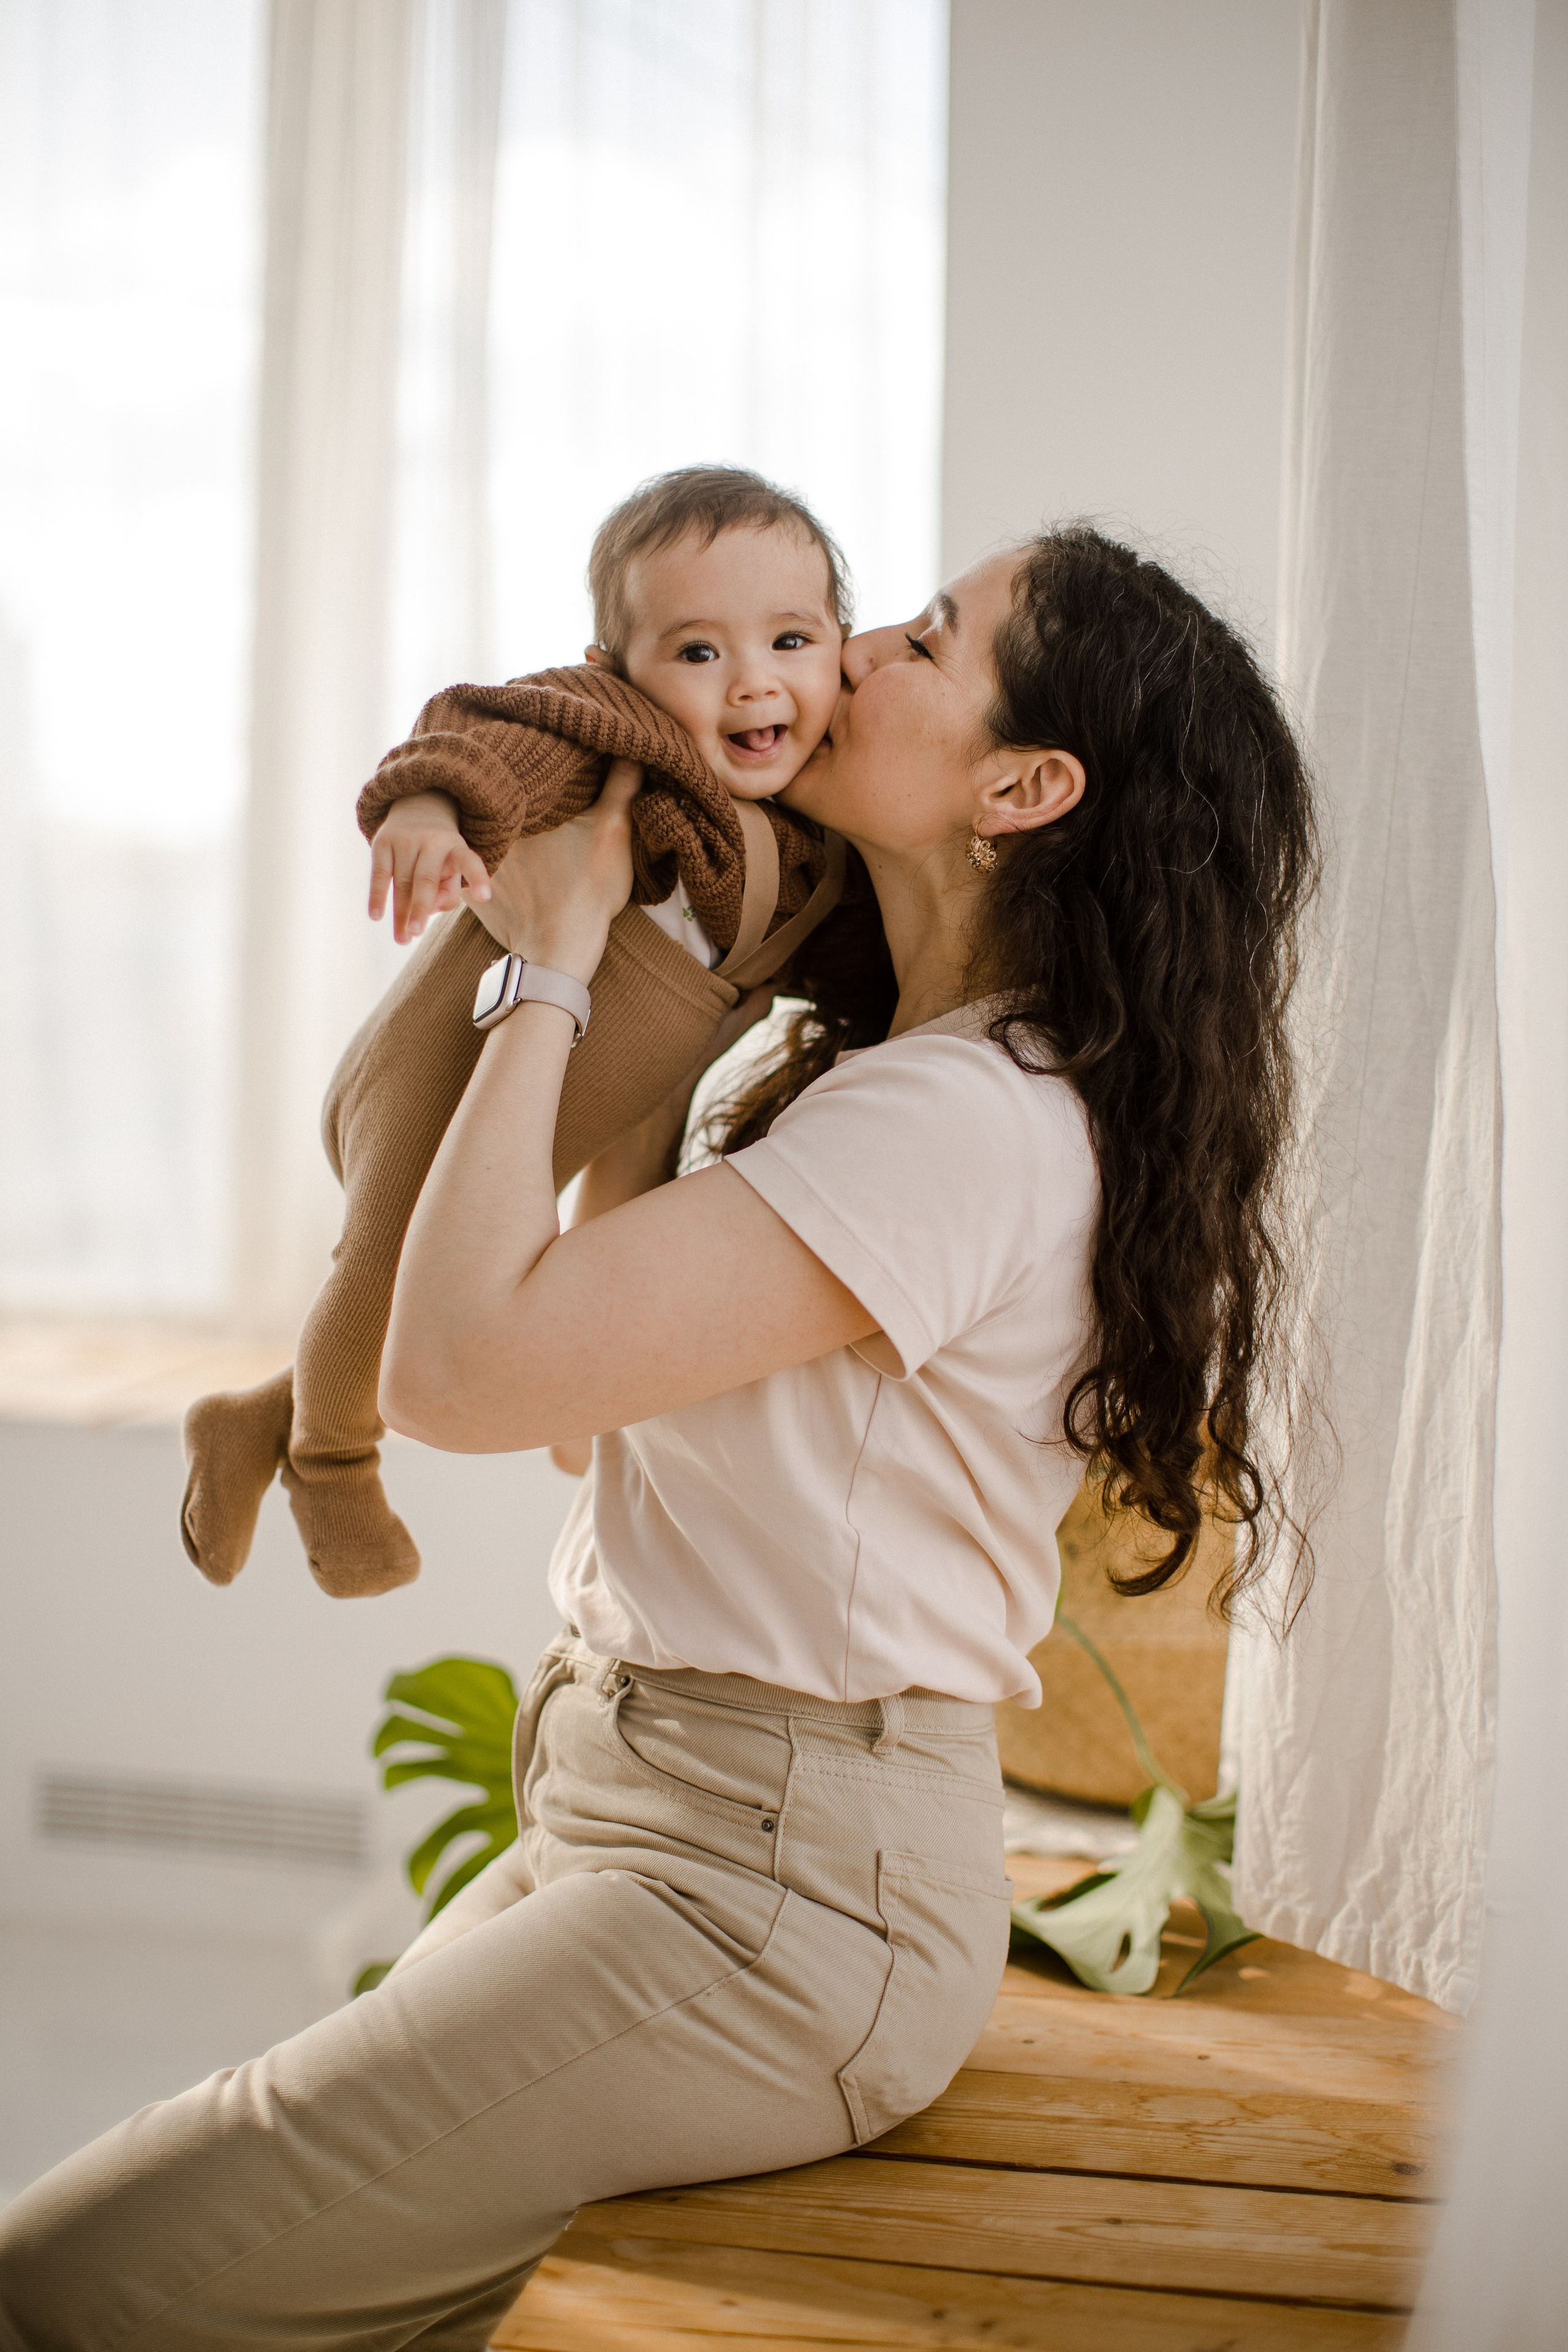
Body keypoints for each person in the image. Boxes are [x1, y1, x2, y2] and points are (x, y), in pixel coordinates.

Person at [0, 525, 1317, 2348]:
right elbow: (570, 1420)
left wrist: (547, 965)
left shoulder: (963, 1122)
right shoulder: (875, 1072)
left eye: (930, 637)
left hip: (775, 1893)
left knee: (70, 2286)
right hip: (665, 1828)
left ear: (1023, 784)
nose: (853, 652)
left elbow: (462, 1381)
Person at [179, 466, 850, 1599]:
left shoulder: (821, 843)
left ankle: (249, 1422)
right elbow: (485, 738)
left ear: (842, 645)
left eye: (791, 640)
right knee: (385, 1265)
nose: (751, 684)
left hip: (563, 1107)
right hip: (442, 1065)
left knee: (469, 1272)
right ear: (618, 671)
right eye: (698, 652)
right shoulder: (615, 745)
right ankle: (332, 1463)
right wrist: (430, 814)